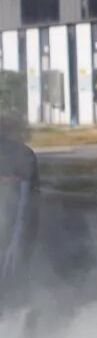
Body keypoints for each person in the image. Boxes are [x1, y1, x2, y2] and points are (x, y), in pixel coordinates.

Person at [0, 115, 39, 307]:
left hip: (17, 223)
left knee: (15, 270)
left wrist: (17, 239)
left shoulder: (23, 156)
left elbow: (26, 198)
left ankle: (18, 309)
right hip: (12, 223)